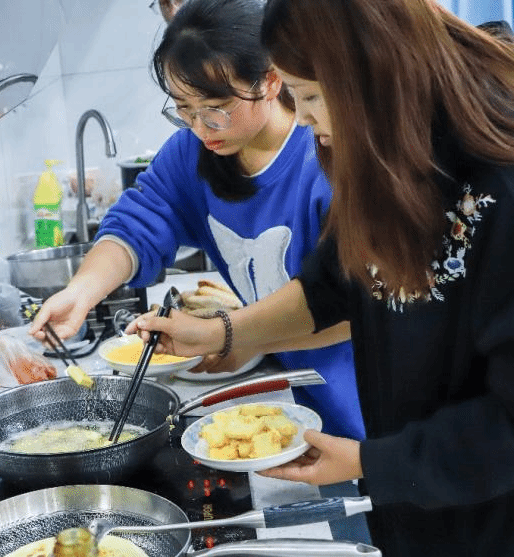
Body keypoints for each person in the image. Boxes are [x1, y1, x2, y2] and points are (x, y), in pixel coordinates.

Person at [131, 0, 514, 557]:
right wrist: (222, 333)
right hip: (421, 514)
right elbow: (336, 284)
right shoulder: (394, 157)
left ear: (375, 74)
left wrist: (374, 463)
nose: (302, 119)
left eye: (311, 96)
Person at [28, 0, 365, 441]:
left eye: (215, 108)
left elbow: (351, 307)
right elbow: (135, 225)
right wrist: (81, 292)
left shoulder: (325, 156)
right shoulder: (191, 154)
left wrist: (232, 336)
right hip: (291, 394)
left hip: (359, 396)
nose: (202, 128)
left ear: (270, 81)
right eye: (184, 110)